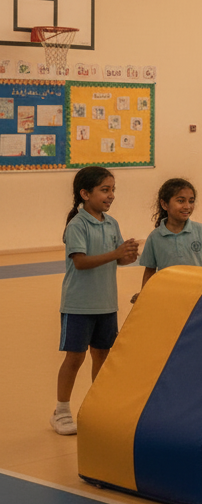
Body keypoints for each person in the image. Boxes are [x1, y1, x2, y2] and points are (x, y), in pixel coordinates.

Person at [52, 166, 139, 435]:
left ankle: (97, 407)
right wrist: (116, 254)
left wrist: (128, 255)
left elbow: (119, 258)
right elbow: (80, 262)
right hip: (79, 305)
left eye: (113, 190)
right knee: (75, 357)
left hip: (106, 304)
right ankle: (61, 411)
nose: (111, 195)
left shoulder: (111, 223)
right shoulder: (77, 225)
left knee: (102, 355)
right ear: (85, 193)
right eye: (105, 190)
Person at [132, 178, 202, 302]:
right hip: (168, 296)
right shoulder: (155, 237)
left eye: (191, 201)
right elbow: (150, 270)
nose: (187, 206)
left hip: (197, 295)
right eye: (180, 201)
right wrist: (144, 294)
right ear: (164, 204)